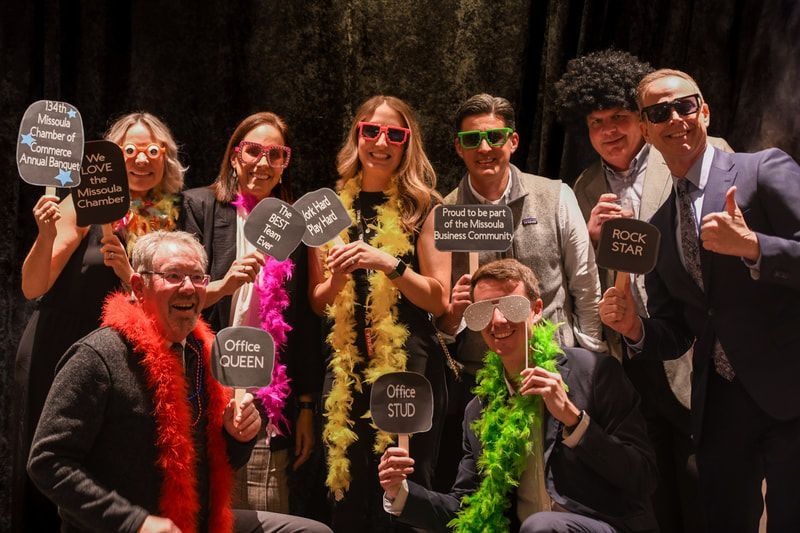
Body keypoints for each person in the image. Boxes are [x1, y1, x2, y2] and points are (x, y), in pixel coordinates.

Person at [599, 68, 800, 532]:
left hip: (790, 391)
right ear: (645, 129)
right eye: (658, 113)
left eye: (684, 106)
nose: (675, 118)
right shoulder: (659, 225)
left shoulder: (762, 169)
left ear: (704, 111)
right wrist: (635, 329)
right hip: (721, 406)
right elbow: (678, 330)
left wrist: (755, 248)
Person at [27, 230, 332, 533]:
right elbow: (48, 461)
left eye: (197, 277)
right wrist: (134, 523)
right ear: (139, 286)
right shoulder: (97, 356)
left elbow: (220, 466)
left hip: (200, 521)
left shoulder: (205, 355)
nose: (188, 287)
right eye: (173, 276)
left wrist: (238, 436)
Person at [555, 49, 731, 533]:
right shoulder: (583, 186)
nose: (609, 131)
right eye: (596, 123)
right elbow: (582, 279)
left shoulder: (693, 152)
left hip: (690, 347)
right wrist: (592, 242)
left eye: (619, 117)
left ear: (643, 121)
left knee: (705, 480)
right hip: (628, 357)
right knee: (652, 487)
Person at [380, 258, 657, 532]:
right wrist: (400, 492)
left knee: (542, 526)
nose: (498, 320)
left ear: (536, 310)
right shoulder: (480, 410)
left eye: (511, 307)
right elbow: (468, 509)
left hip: (605, 525)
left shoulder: (594, 372)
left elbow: (642, 477)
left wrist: (574, 421)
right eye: (483, 311)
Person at [12, 112, 185, 532]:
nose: (141, 160)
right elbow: (33, 287)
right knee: (55, 468)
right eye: (129, 151)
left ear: (165, 157)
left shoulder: (175, 219)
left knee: (111, 471)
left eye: (152, 151)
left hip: (125, 362)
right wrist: (45, 236)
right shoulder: (84, 203)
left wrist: (130, 273)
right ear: (110, 158)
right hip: (60, 349)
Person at [434, 93, 605, 491]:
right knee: (500, 492)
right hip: (485, 381)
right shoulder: (444, 213)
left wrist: (592, 360)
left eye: (495, 137)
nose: (485, 148)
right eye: (473, 140)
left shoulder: (555, 194)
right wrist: (453, 314)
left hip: (558, 368)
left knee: (563, 486)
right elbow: (441, 325)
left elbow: (584, 282)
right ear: (458, 147)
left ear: (513, 141)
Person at [309, 95, 450, 531]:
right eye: (371, 130)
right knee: (347, 491)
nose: (381, 142)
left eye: (394, 133)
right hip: (345, 368)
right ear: (357, 135)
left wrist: (390, 264)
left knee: (405, 491)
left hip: (409, 366)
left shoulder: (426, 207)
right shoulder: (327, 206)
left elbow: (439, 299)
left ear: (408, 142)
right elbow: (318, 302)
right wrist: (336, 279)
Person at [180, 112, 323, 515]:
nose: (263, 162)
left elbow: (304, 324)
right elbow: (180, 299)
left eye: (275, 154)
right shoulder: (200, 206)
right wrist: (225, 284)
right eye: (253, 151)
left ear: (285, 163)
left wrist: (306, 407)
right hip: (204, 385)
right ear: (235, 156)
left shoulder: (293, 225)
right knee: (203, 507)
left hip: (265, 397)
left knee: (264, 509)